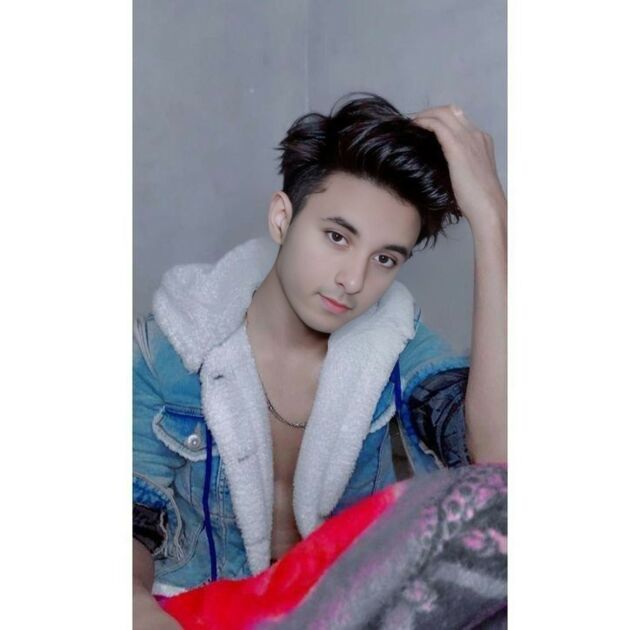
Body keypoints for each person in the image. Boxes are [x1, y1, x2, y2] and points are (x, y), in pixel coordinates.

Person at [133, 93, 507, 629]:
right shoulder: (171, 348)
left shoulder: (395, 342)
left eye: (384, 259)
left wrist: (492, 220)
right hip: (198, 614)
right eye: (337, 237)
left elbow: (501, 470)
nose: (353, 280)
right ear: (282, 218)